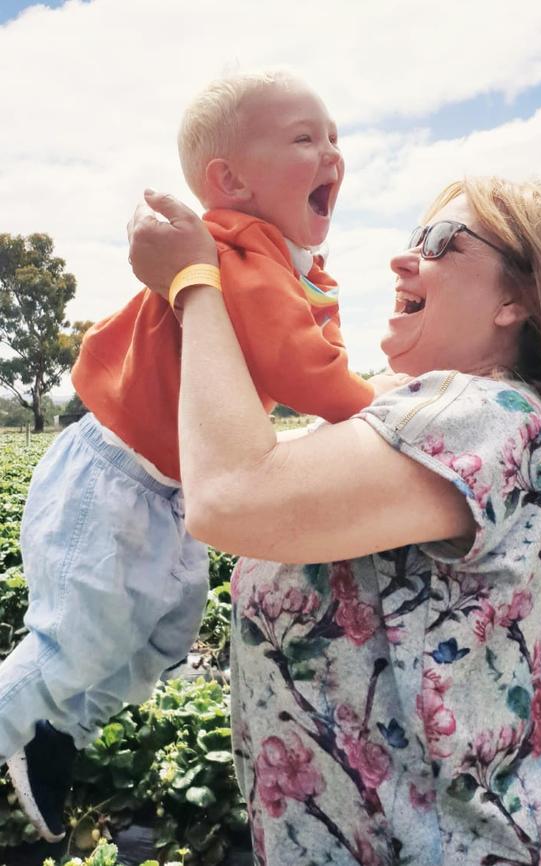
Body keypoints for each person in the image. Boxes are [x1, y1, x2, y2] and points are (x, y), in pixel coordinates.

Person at [127, 174, 541, 866]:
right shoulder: (413, 419)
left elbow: (227, 496)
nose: (404, 261)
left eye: (440, 244)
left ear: (516, 298)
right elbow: (223, 457)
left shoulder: (486, 417)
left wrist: (195, 283)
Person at [0, 68, 397, 843]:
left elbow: (308, 341)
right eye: (305, 139)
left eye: (336, 138)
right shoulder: (234, 247)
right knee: (75, 638)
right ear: (231, 182)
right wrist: (386, 413)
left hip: (168, 493)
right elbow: (301, 365)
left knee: (163, 636)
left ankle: (52, 736)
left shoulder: (283, 265)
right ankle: (21, 721)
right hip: (113, 480)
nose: (332, 154)